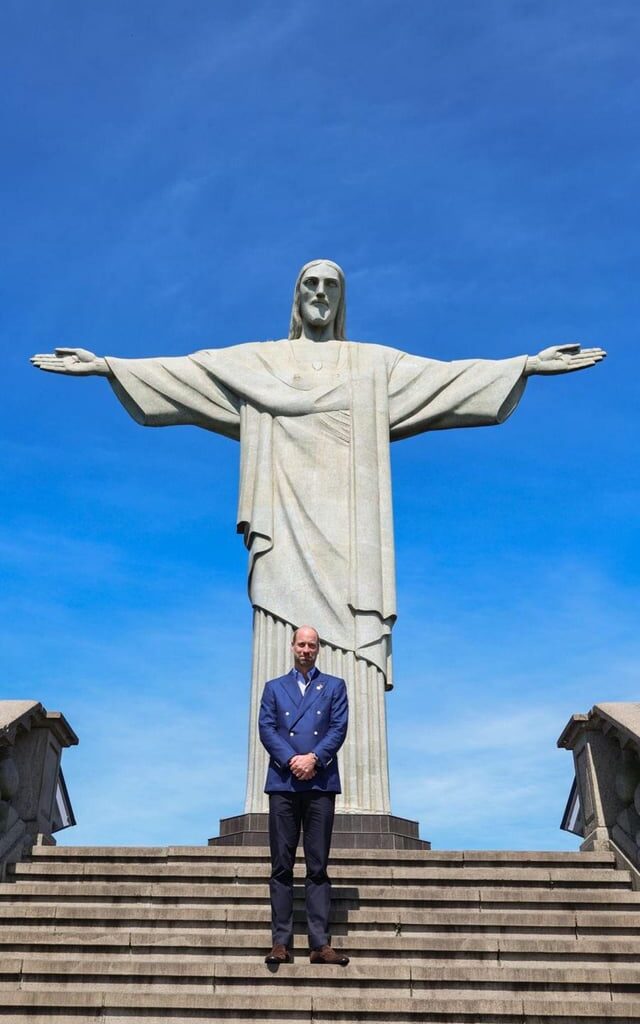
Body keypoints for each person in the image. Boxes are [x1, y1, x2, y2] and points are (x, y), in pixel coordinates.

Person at [30, 260, 606, 817]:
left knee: (352, 646)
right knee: (281, 646)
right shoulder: (260, 362)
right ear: (296, 295)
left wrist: (524, 366)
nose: (321, 293)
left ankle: (357, 801)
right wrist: (108, 366)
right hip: (283, 527)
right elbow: (189, 372)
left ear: (342, 298)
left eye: (332, 285)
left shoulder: (370, 365)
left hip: (354, 539)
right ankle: (276, 797)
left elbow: (446, 376)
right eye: (311, 283)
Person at [258, 625, 349, 965]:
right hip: (283, 782)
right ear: (292, 646)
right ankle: (280, 942)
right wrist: (291, 759)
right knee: (281, 866)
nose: (306, 649)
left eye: (312, 645)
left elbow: (338, 728)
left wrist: (314, 758)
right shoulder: (274, 688)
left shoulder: (335, 687)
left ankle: (319, 944)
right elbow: (266, 728)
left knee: (317, 865)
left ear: (318, 649)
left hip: (320, 782)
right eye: (301, 644)